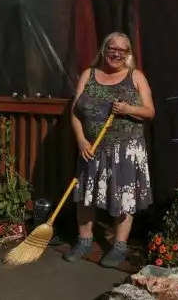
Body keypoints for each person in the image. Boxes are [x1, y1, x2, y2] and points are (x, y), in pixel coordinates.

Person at [64, 32, 155, 268]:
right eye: (111, 48)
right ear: (104, 50)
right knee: (86, 194)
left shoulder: (136, 77)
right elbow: (75, 111)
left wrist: (127, 109)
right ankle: (84, 241)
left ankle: (119, 246)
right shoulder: (89, 74)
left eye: (122, 50)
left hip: (125, 147)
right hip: (91, 147)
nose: (116, 53)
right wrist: (81, 140)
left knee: (124, 196)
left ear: (128, 54)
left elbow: (149, 111)